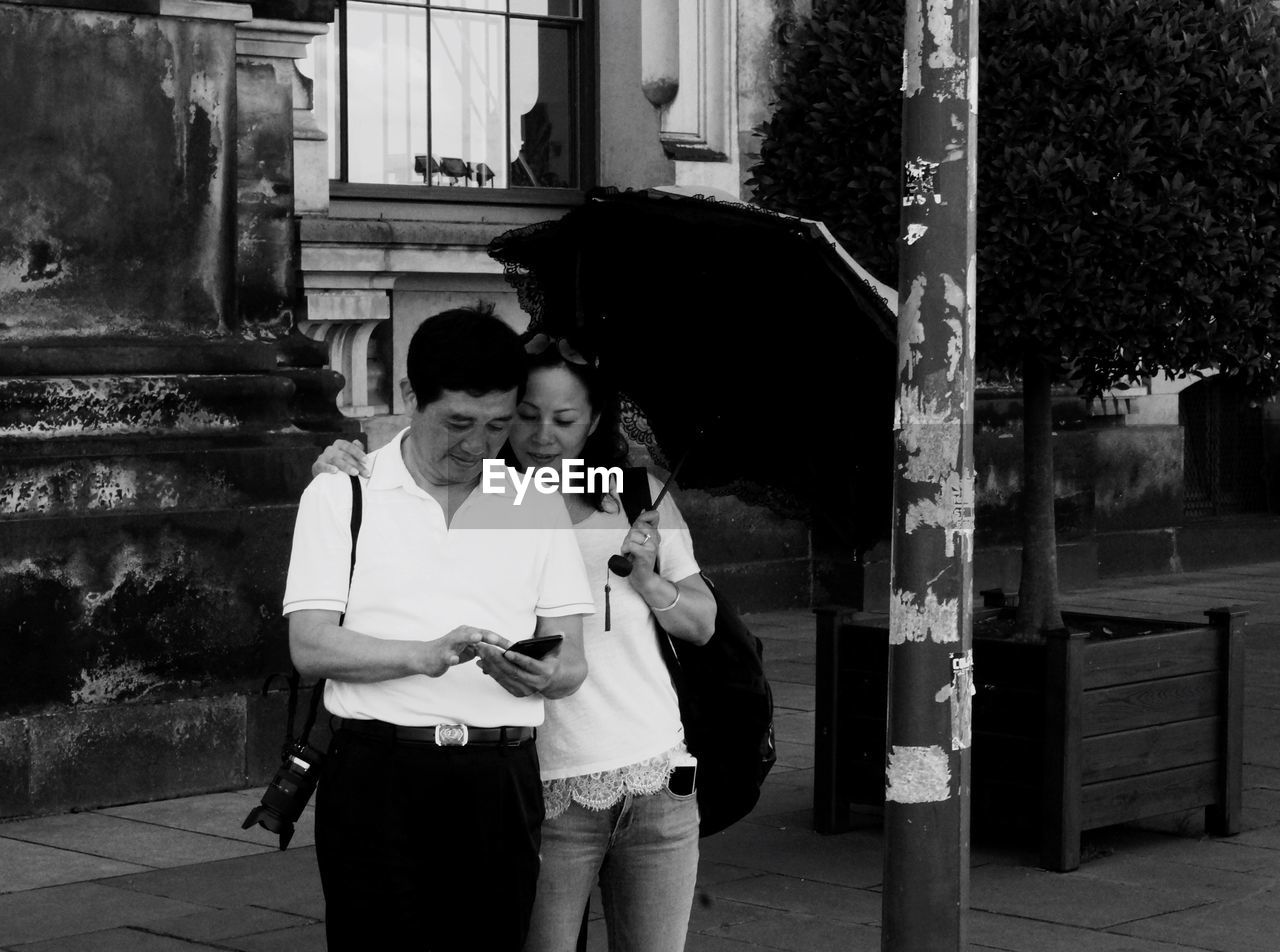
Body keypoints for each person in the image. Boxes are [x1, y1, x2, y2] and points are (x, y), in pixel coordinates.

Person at [315, 330, 717, 952]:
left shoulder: (635, 495)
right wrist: (342, 465)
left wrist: (645, 575)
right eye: (524, 417)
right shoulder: (486, 492)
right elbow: (404, 503)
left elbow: (702, 623)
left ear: (594, 422)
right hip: (543, 774)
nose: (540, 436)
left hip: (654, 768)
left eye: (564, 419)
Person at [284, 309, 595, 952]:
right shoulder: (345, 493)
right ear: (409, 399)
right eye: (458, 423)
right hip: (378, 773)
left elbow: (572, 666)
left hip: (500, 776)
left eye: (498, 425)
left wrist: (542, 673)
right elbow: (310, 646)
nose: (479, 446)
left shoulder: (532, 503)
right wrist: (425, 655)